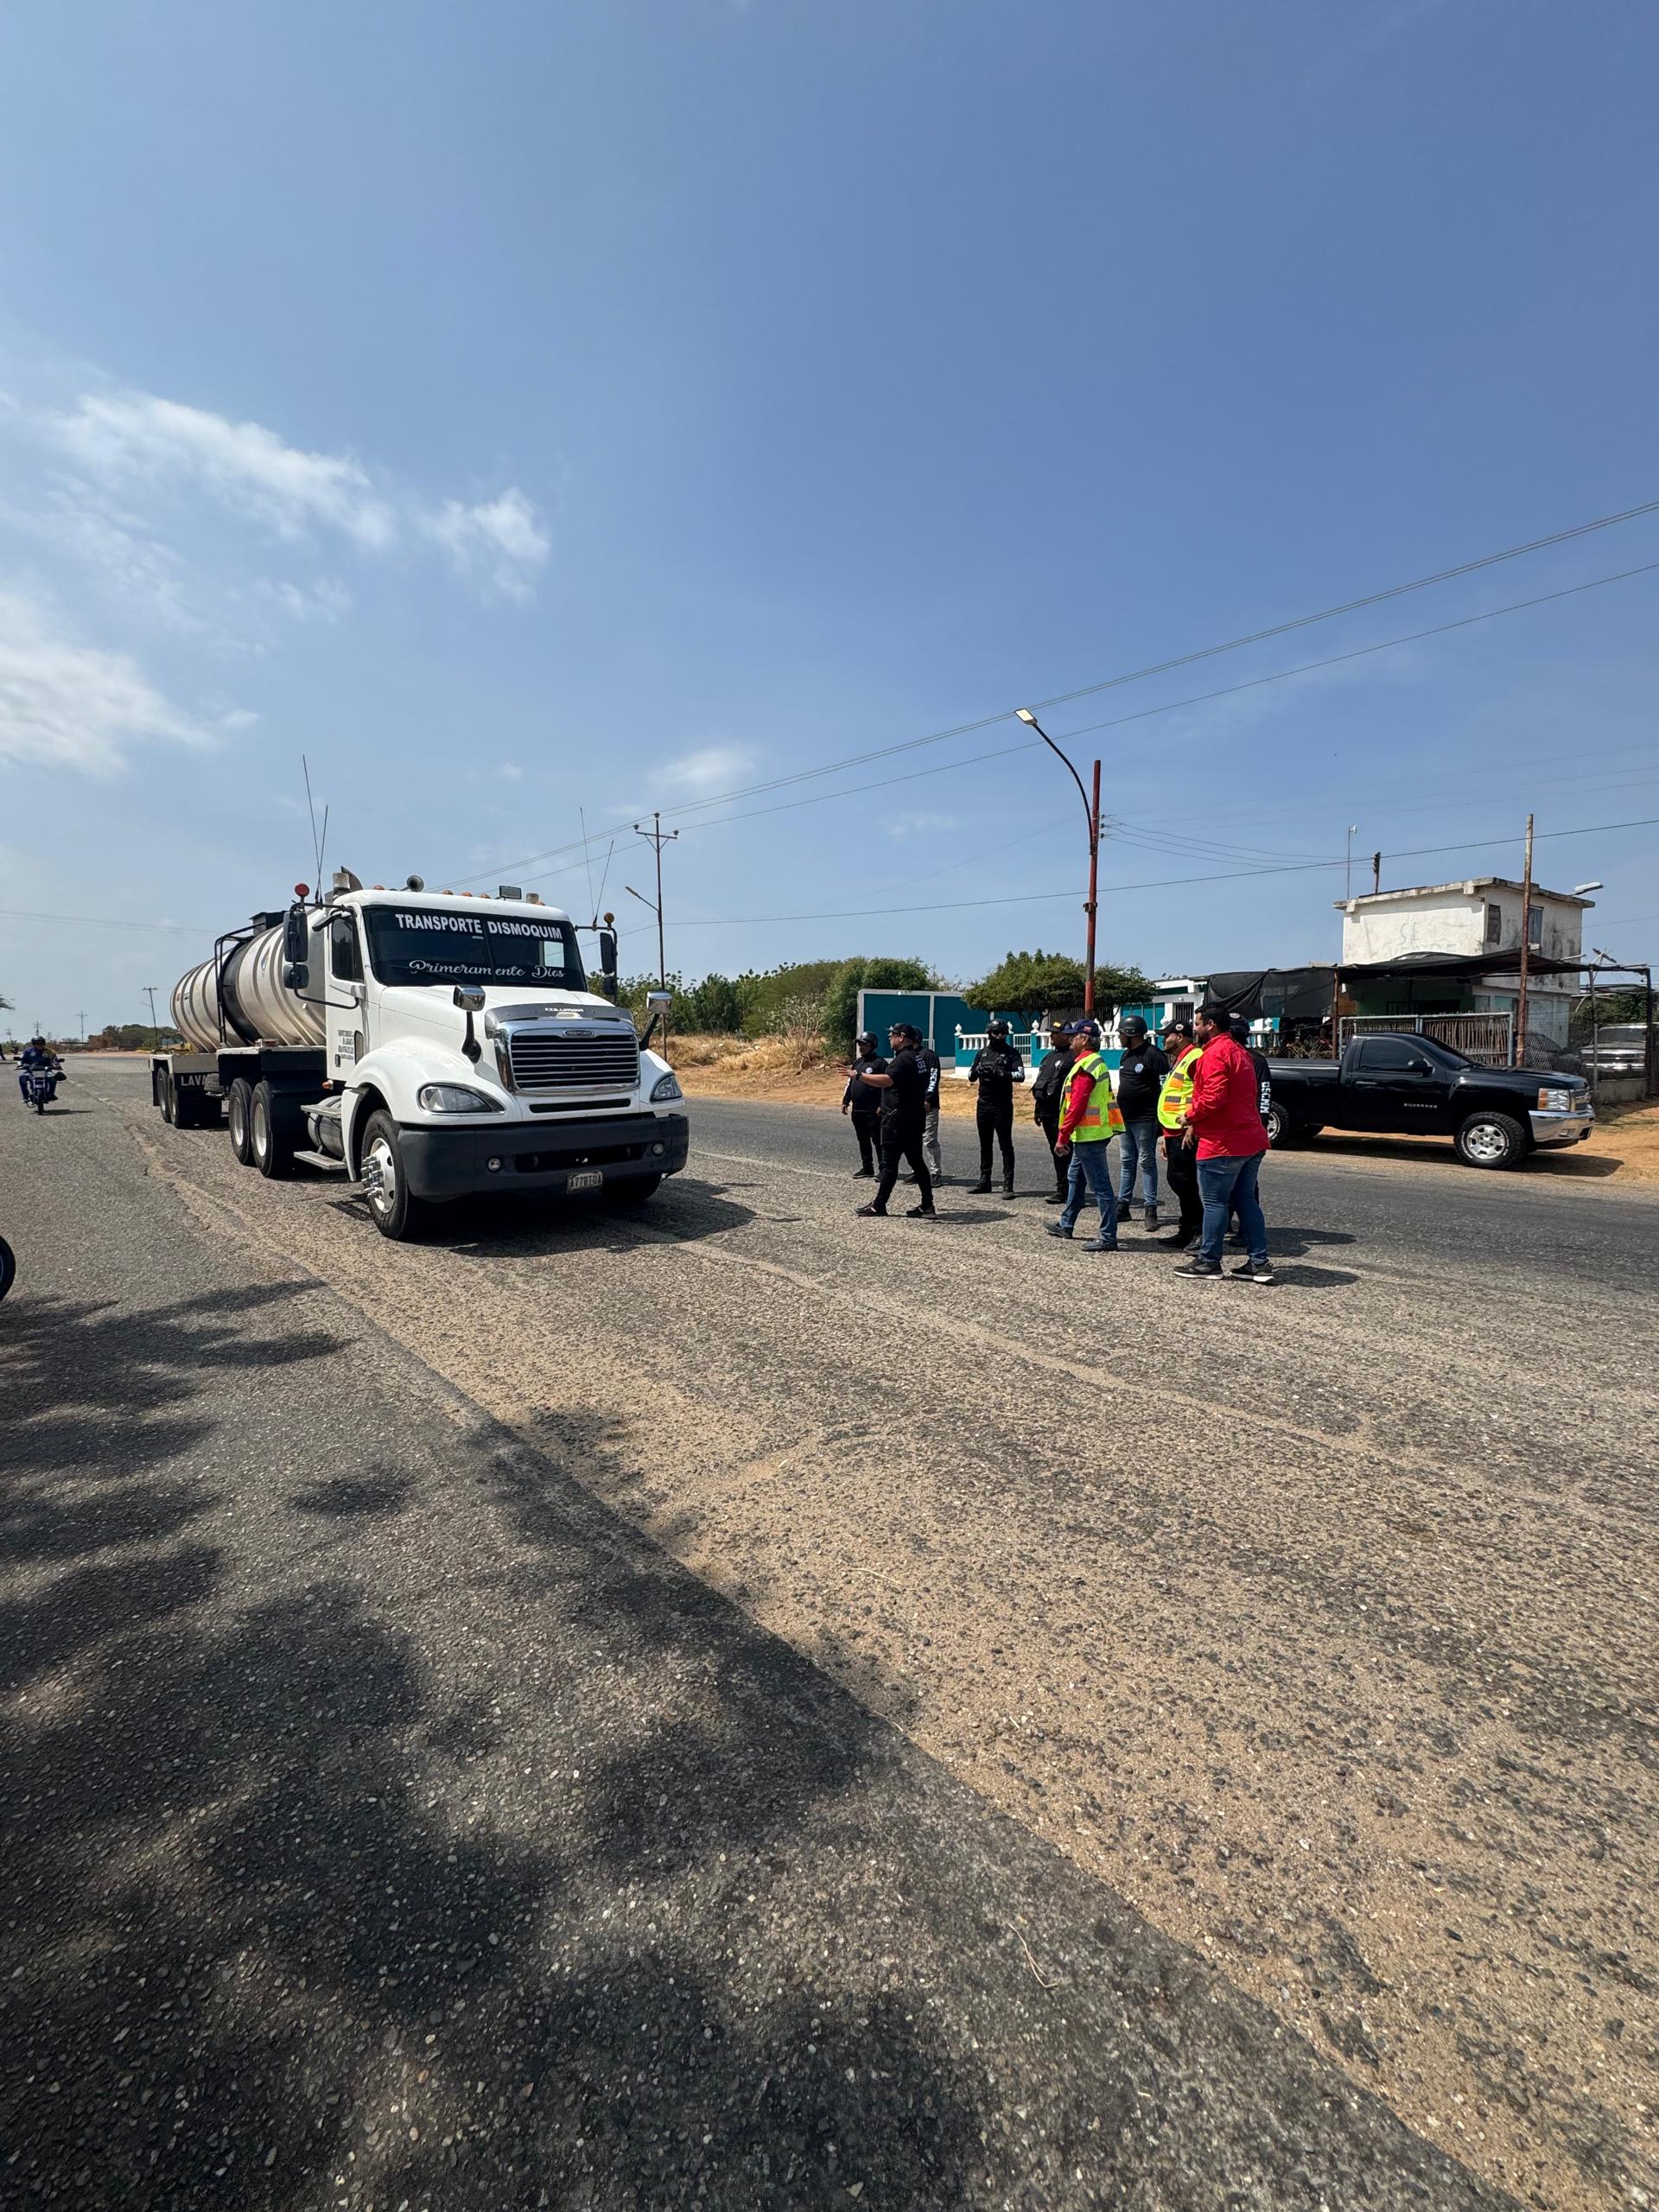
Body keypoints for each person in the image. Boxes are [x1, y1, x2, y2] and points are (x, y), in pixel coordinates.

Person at [1174, 1004, 1272, 1283]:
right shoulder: (1241, 1053)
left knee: (1215, 1202)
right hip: (1250, 1139)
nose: (1194, 1028)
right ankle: (1259, 1262)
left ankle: (1209, 1261)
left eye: (1197, 1023)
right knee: (1246, 1201)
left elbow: (1214, 1097)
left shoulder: (1214, 1054)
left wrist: (1189, 1117)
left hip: (1223, 1142)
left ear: (1211, 1025)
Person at [1044, 1020, 1120, 1252]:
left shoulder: (1087, 1066)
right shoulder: (1089, 1062)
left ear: (1085, 1039)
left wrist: (1062, 1135)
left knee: (1101, 1188)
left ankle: (1108, 1237)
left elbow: (1077, 1106)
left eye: (1074, 1036)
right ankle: (1067, 1224)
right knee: (1075, 1179)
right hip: (1088, 1134)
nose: (1069, 1039)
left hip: (1090, 1135)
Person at [855, 1022, 937, 1220]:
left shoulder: (903, 1060)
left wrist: (859, 1075)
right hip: (914, 1117)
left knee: (889, 1164)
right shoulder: (919, 1058)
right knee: (917, 1163)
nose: (889, 1039)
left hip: (898, 1120)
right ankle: (928, 1206)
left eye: (892, 1035)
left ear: (901, 1037)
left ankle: (879, 1206)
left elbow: (887, 1081)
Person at [1113, 1016, 1168, 1231]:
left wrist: (1159, 1122)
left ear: (1131, 1033)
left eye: (1121, 1033)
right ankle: (1123, 1206)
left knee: (1146, 1162)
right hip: (1125, 1118)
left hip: (1145, 1118)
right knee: (1127, 1161)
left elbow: (1164, 1089)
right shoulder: (1126, 1054)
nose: (1118, 1037)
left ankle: (1150, 1209)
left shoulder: (1154, 1055)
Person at [1156, 1020, 1204, 1249]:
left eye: (1167, 1035)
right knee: (1178, 1180)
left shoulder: (1194, 1057)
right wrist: (1165, 1135)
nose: (1164, 1039)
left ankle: (1199, 1231)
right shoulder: (1181, 1059)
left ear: (1180, 1036)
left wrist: (1193, 1124)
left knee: (1184, 1181)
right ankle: (1186, 1230)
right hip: (1173, 1131)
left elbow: (1201, 1093)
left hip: (1186, 1131)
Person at [968, 1017, 1024, 1193]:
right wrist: (979, 1070)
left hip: (1003, 1105)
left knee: (1005, 1144)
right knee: (985, 1144)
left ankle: (1008, 1184)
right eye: (996, 1033)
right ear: (989, 1034)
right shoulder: (982, 1053)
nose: (1000, 1036)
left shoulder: (1012, 1053)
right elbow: (971, 1075)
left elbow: (1020, 1075)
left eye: (1003, 1033)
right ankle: (985, 1180)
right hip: (983, 1104)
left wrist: (1002, 1073)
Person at [1029, 1026, 1076, 1203]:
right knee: (1056, 1151)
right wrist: (1037, 1109)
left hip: (1063, 1113)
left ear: (1066, 1036)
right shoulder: (1049, 1057)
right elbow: (1041, 1083)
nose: (1051, 1037)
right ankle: (1062, 1188)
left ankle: (1069, 1189)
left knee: (1066, 1152)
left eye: (1055, 1034)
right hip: (1047, 1112)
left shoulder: (1073, 1058)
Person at [842, 1031, 887, 1178]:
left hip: (874, 1110)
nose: (861, 1047)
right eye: (859, 1044)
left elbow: (886, 1085)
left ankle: (884, 1169)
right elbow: (851, 1082)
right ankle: (867, 1168)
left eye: (864, 1044)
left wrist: (882, 1104)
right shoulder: (857, 1063)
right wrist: (845, 1100)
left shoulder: (880, 1063)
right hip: (858, 1110)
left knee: (878, 1140)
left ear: (873, 1046)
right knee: (863, 1139)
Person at [17, 1036, 58, 1103]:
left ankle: (51, 1094)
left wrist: (57, 1065)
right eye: (37, 1044)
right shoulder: (28, 1051)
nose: (40, 1045)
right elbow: (21, 1059)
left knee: (53, 1078)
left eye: (42, 1043)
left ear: (44, 1044)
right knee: (22, 1077)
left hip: (46, 1070)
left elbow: (54, 1060)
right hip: (31, 1070)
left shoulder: (49, 1051)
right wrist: (20, 1064)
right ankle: (26, 1096)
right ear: (34, 1044)